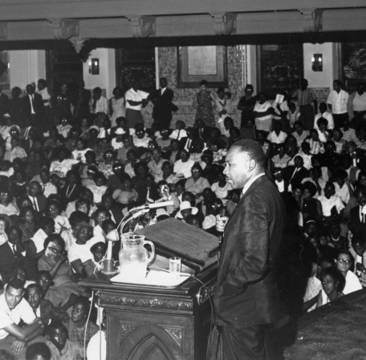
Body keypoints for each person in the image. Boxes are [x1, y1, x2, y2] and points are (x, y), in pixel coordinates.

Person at [207, 139, 285, 360]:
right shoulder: (267, 189)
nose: (224, 171)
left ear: (250, 164)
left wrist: (224, 289)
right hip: (256, 304)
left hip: (243, 307)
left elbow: (254, 262)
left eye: (230, 164)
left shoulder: (255, 199)